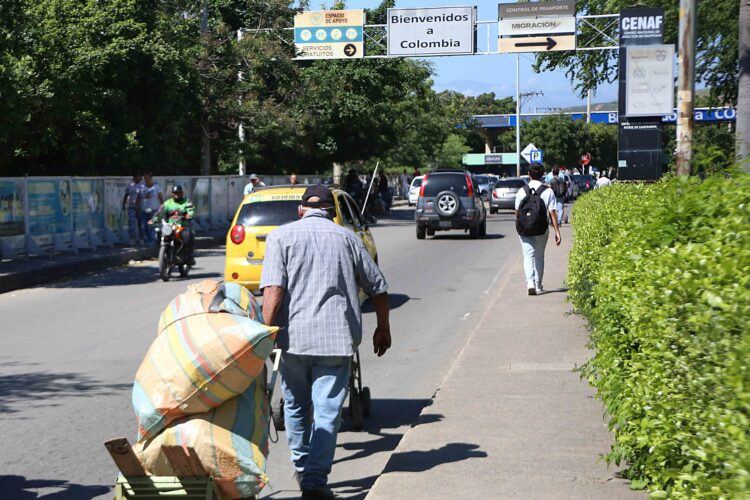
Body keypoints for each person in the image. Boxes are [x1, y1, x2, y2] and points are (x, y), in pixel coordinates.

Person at [260, 185, 391, 500]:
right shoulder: (347, 238)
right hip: (336, 340)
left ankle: (304, 469)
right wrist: (383, 328)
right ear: (331, 212)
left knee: (295, 405)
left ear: (301, 209)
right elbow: (378, 287)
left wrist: (263, 333)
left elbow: (274, 291)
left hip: (293, 341)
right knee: (328, 410)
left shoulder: (280, 237)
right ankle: (315, 482)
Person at [515, 163, 561, 296]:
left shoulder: (521, 191)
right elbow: (552, 212)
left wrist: (520, 225)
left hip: (525, 229)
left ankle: (530, 283)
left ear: (529, 174)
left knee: (528, 255)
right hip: (542, 228)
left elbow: (517, 212)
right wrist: (557, 232)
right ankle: (538, 284)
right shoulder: (548, 191)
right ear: (543, 175)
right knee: (539, 256)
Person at [151, 185, 196, 265]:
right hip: (169, 226)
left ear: (182, 193)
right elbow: (160, 212)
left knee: (188, 235)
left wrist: (188, 215)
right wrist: (153, 219)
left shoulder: (187, 202)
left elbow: (191, 210)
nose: (177, 194)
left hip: (182, 226)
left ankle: (189, 256)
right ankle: (163, 252)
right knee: (157, 235)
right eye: (175, 193)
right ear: (172, 194)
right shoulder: (168, 203)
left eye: (178, 193)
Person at [138, 172, 163, 244]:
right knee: (144, 226)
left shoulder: (156, 187)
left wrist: (162, 206)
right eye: (145, 178)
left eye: (148, 178)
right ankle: (149, 238)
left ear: (151, 178)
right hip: (144, 210)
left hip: (154, 210)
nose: (146, 180)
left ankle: (152, 241)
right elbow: (138, 198)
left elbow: (160, 197)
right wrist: (138, 207)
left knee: (152, 226)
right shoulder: (142, 187)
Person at [122, 173, 143, 244]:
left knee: (141, 223)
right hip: (131, 206)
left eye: (139, 176)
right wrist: (124, 204)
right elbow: (126, 195)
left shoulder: (143, 186)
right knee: (131, 223)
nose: (137, 178)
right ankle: (132, 238)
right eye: (136, 176)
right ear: (134, 177)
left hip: (140, 207)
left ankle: (141, 238)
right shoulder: (130, 186)